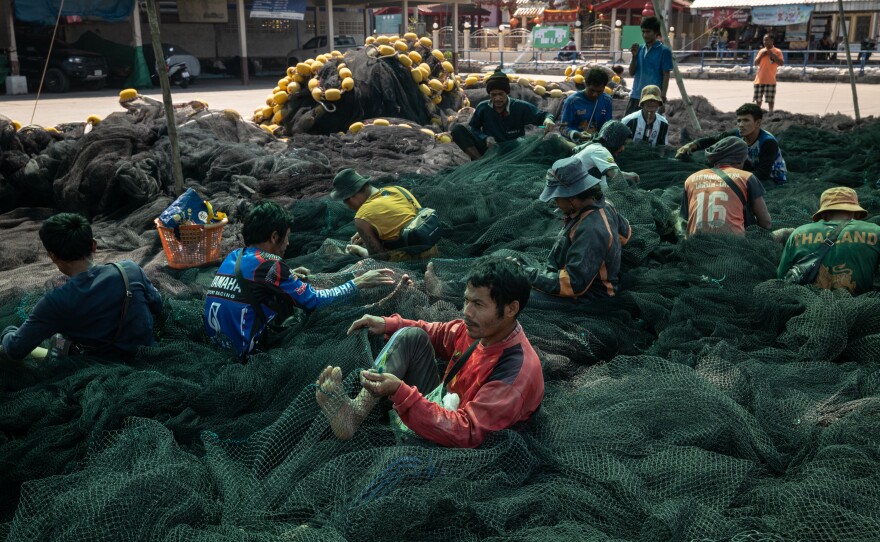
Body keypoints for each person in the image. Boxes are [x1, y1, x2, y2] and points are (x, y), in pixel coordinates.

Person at [314, 258, 544, 448]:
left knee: (397, 467)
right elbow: (439, 332)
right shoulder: (481, 329)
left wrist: (400, 392)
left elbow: (469, 433)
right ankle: (354, 413)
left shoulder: (513, 373)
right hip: (444, 405)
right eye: (466, 300)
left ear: (511, 309)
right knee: (409, 336)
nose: (467, 312)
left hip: (465, 447)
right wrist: (388, 323)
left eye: (478, 304)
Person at [204, 201, 396, 360]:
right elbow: (315, 301)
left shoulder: (235, 256)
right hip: (244, 354)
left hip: (217, 344)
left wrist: (289, 274)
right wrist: (358, 282)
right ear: (274, 236)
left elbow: (251, 283)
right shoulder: (271, 265)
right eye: (286, 237)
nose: (288, 244)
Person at [1, 213, 163, 361]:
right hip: (148, 354)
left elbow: (15, 350)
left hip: (95, 368)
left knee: (57, 341)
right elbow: (158, 305)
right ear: (94, 245)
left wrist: (8, 332)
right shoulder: (129, 270)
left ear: (53, 256)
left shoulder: (55, 301)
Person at [520, 154, 632, 301]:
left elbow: (574, 284)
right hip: (577, 280)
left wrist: (525, 273)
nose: (555, 203)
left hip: (590, 296)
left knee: (516, 295)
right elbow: (626, 234)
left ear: (571, 197)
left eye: (556, 198)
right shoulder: (604, 203)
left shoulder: (591, 229)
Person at [777, 187, 880, 294]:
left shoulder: (798, 234)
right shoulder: (875, 231)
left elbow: (782, 277)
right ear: (856, 212)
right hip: (861, 307)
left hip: (808, 307)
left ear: (823, 214)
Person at [329, 168, 439, 261]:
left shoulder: (362, 217)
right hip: (433, 248)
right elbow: (409, 219)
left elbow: (379, 258)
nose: (347, 205)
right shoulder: (398, 189)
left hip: (412, 259)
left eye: (345, 201)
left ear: (351, 197)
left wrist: (358, 250)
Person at [450, 69, 556, 160]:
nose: (497, 98)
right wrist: (485, 137)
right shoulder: (483, 108)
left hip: (514, 150)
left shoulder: (520, 107)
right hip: (490, 149)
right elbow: (474, 128)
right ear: (489, 95)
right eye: (493, 95)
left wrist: (548, 120)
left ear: (507, 93)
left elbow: (544, 115)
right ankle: (480, 162)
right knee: (457, 130)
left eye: (501, 94)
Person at [675, 103, 788, 186]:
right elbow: (713, 140)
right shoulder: (737, 134)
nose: (741, 125)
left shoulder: (768, 142)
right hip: (749, 168)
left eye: (746, 120)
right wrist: (692, 145)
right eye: (739, 121)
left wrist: (732, 177)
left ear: (757, 123)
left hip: (771, 178)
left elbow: (762, 174)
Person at [680, 136, 772, 236]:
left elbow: (684, 220)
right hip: (735, 247)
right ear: (740, 159)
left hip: (695, 245)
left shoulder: (690, 179)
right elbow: (766, 223)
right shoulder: (746, 177)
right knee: (785, 233)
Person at [571, 120, 640, 189]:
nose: (623, 149)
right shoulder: (601, 151)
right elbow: (617, 177)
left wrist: (629, 175)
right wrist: (630, 177)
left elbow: (609, 179)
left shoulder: (595, 147)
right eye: (622, 144)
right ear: (614, 141)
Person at [626, 16, 673, 116]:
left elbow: (666, 76)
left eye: (648, 32)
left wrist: (662, 98)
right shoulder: (639, 49)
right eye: (643, 32)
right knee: (629, 127)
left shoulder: (664, 51)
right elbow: (631, 73)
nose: (645, 35)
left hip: (653, 99)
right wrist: (634, 57)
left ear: (656, 32)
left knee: (650, 129)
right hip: (636, 95)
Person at [558, 67, 613, 142]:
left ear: (604, 87)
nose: (595, 94)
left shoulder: (607, 100)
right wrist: (576, 134)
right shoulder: (572, 101)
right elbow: (563, 128)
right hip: (576, 144)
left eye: (599, 91)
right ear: (586, 84)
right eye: (592, 90)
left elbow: (608, 125)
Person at [753, 34, 784, 113]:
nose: (765, 42)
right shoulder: (761, 51)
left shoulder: (777, 51)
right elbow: (755, 63)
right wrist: (761, 55)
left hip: (770, 80)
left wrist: (772, 55)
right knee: (758, 99)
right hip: (759, 79)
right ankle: (757, 113)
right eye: (764, 40)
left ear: (772, 41)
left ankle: (770, 112)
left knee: (770, 99)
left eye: (767, 40)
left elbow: (781, 63)